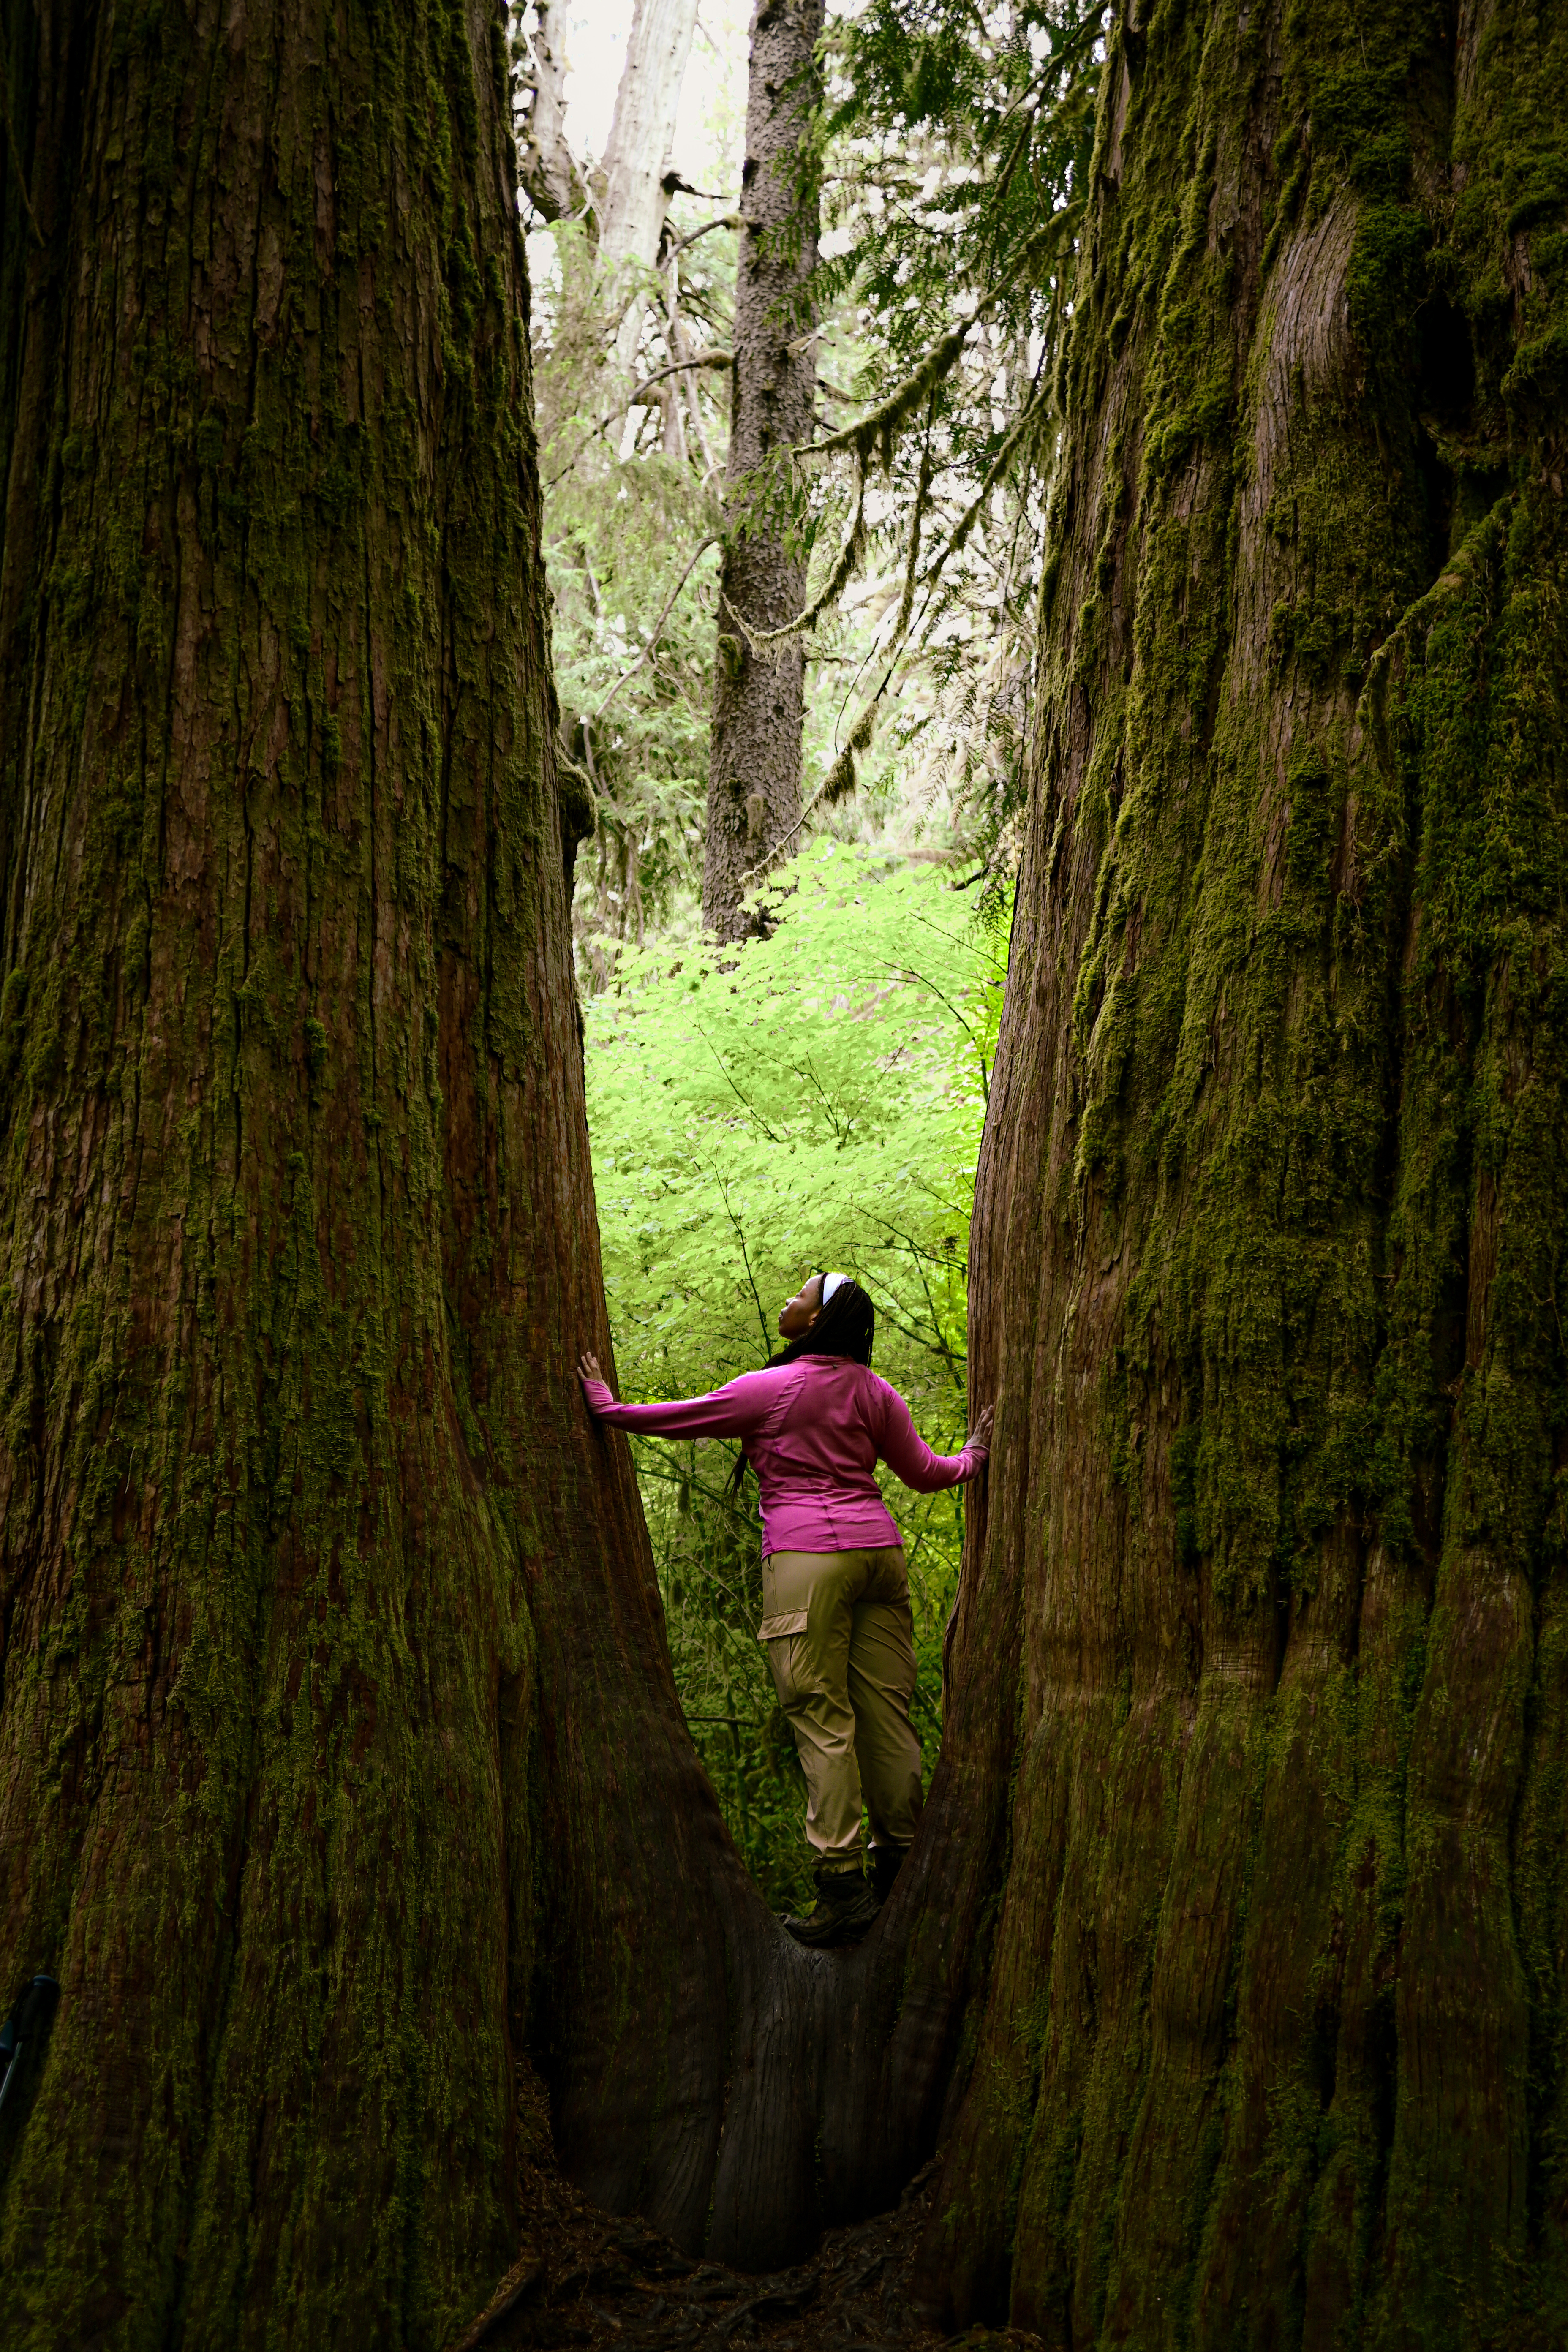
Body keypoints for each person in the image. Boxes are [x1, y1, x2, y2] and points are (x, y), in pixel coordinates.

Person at [578, 1270, 992, 1949]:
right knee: (885, 1714)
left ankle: (842, 1886)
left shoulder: (770, 1389)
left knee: (821, 1716)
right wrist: (974, 1456)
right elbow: (926, 1473)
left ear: (819, 1318)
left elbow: (671, 1419)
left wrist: (606, 1406)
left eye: (800, 1296)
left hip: (807, 1561)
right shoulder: (876, 1393)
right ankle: (903, 1867)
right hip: (879, 1557)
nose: (786, 1302)